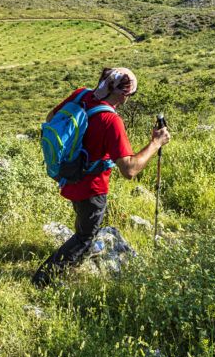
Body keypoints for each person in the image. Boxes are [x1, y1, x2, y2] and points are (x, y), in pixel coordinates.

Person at [31, 67, 170, 288]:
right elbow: (130, 169)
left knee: (83, 223)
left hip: (69, 175)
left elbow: (51, 118)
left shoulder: (81, 94)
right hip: (92, 187)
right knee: (85, 237)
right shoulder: (110, 120)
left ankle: (72, 259)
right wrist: (156, 143)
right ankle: (43, 280)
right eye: (130, 95)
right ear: (124, 94)